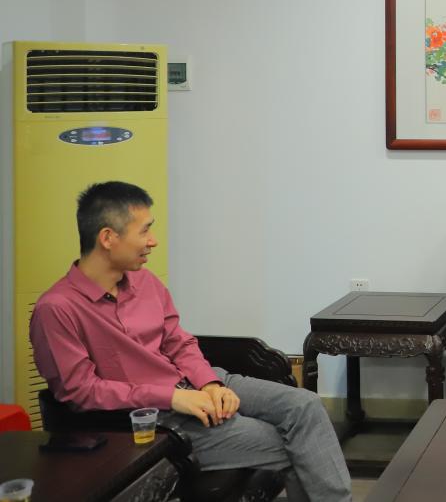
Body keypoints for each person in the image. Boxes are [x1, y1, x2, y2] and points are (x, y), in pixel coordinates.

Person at [29, 182, 351, 502]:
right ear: (108, 237)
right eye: (144, 231)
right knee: (299, 444)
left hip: (196, 384)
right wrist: (173, 397)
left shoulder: (145, 281)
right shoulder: (56, 309)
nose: (153, 241)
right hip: (157, 418)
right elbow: (82, 392)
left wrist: (209, 383)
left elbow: (179, 342)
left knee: (305, 407)